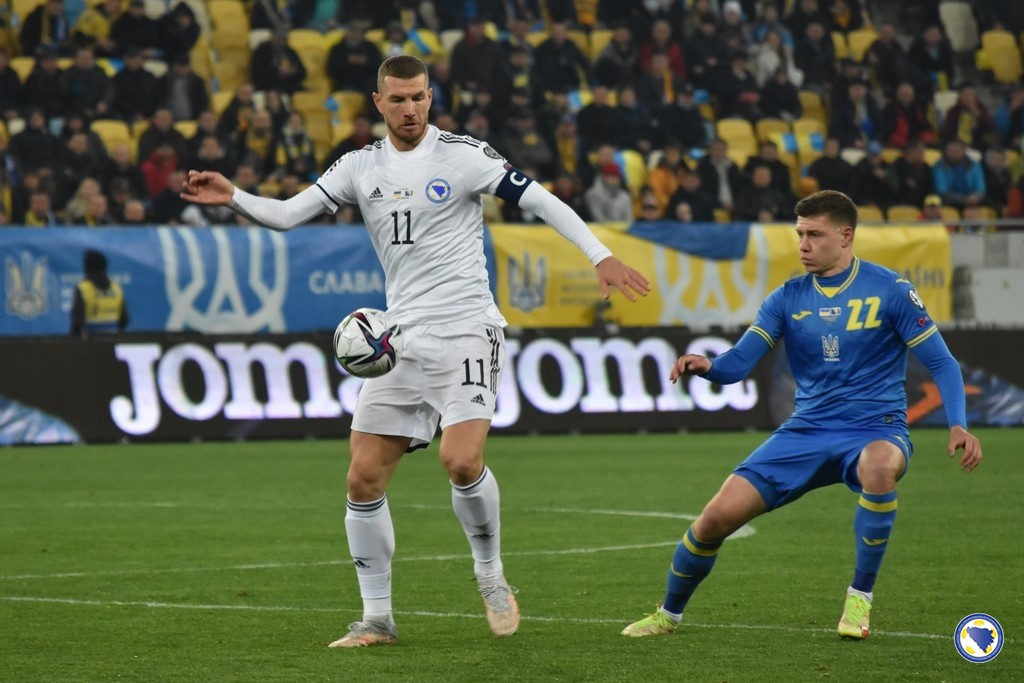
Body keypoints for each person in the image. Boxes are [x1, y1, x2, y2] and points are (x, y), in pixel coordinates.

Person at [180, 54, 651, 648]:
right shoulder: (359, 166)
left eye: (419, 97)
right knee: (362, 478)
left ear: (431, 97)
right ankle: (377, 619)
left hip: (467, 329)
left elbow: (542, 201)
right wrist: (234, 197)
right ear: (378, 102)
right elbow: (287, 214)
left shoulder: (464, 155)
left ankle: (490, 574)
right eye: (398, 99)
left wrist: (600, 255)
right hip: (398, 339)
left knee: (460, 461)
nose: (410, 109)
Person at [621, 190, 982, 640]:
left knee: (879, 468)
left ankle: (859, 599)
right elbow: (737, 365)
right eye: (799, 235)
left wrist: (958, 423)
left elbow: (943, 363)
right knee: (713, 520)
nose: (804, 245)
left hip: (875, 428)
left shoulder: (891, 290)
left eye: (815, 234)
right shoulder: (786, 298)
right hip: (805, 431)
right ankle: (668, 615)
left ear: (846, 236)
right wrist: (708, 366)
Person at [71, 249, 128, 336]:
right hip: (114, 339)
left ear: (87, 267)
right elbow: (124, 320)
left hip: (91, 341)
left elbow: (77, 323)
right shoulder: (116, 288)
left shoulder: (83, 289)